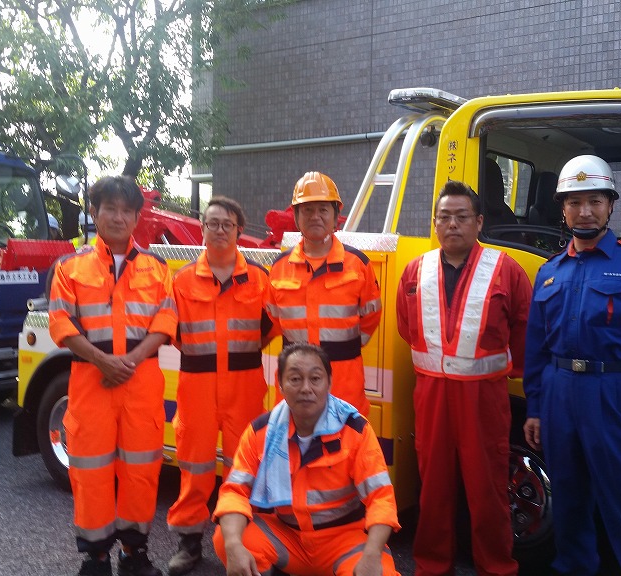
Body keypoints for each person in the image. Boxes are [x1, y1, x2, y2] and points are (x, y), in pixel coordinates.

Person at [522, 155, 621, 576]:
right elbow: (536, 348)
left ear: (610, 205)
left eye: (595, 201)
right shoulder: (549, 272)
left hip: (612, 394)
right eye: (574, 202)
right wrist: (535, 407)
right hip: (557, 394)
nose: (584, 211)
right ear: (563, 209)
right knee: (568, 502)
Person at [396, 180, 531, 576]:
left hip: (484, 401)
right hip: (431, 398)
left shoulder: (506, 270)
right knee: (433, 489)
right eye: (444, 217)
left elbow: (524, 330)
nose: (452, 224)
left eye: (461, 216)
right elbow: (406, 328)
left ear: (479, 222)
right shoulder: (414, 271)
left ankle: (496, 567)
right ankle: (432, 566)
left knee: (488, 490)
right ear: (434, 223)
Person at [48, 175, 177, 576]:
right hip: (91, 384)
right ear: (94, 211)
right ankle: (96, 558)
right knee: (91, 474)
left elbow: (166, 321)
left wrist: (129, 361)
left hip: (141, 384)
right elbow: (61, 322)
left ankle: (134, 555)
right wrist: (102, 361)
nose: (118, 217)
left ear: (137, 218)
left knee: (141, 473)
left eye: (126, 210)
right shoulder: (70, 267)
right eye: (110, 208)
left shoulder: (158, 268)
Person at [211, 342, 401, 576]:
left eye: (315, 378)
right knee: (226, 538)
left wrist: (371, 556)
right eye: (295, 379)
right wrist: (233, 545)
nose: (306, 388)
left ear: (329, 383)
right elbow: (234, 492)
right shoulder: (262, 432)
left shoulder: (355, 430)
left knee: (381, 573)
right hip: (288, 539)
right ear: (280, 384)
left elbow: (381, 499)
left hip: (344, 542)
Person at [165, 197, 275, 575]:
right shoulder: (182, 280)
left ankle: (239, 538)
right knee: (193, 465)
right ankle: (189, 543)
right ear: (202, 229)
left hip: (244, 385)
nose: (220, 230)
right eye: (212, 223)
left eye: (227, 224)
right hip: (197, 386)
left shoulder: (259, 279)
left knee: (242, 466)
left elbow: (269, 327)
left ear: (239, 230)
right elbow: (175, 332)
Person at [266, 172, 382, 416]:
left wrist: (343, 347)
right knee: (295, 439)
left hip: (344, 384)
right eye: (307, 210)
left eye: (323, 209)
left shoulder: (358, 265)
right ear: (296, 217)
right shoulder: (279, 268)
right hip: (294, 382)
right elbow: (274, 320)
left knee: (345, 439)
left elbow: (371, 318)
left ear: (335, 216)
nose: (315, 216)